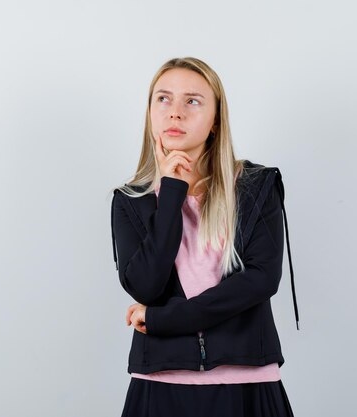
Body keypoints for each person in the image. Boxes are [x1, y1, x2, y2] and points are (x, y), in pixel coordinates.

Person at [109, 57, 300, 416]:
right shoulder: (130, 201)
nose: (175, 113)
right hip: (160, 387)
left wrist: (165, 319)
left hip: (249, 385)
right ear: (150, 112)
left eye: (192, 101)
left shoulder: (256, 187)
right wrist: (171, 194)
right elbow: (146, 287)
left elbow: (260, 280)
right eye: (163, 99)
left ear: (215, 121)